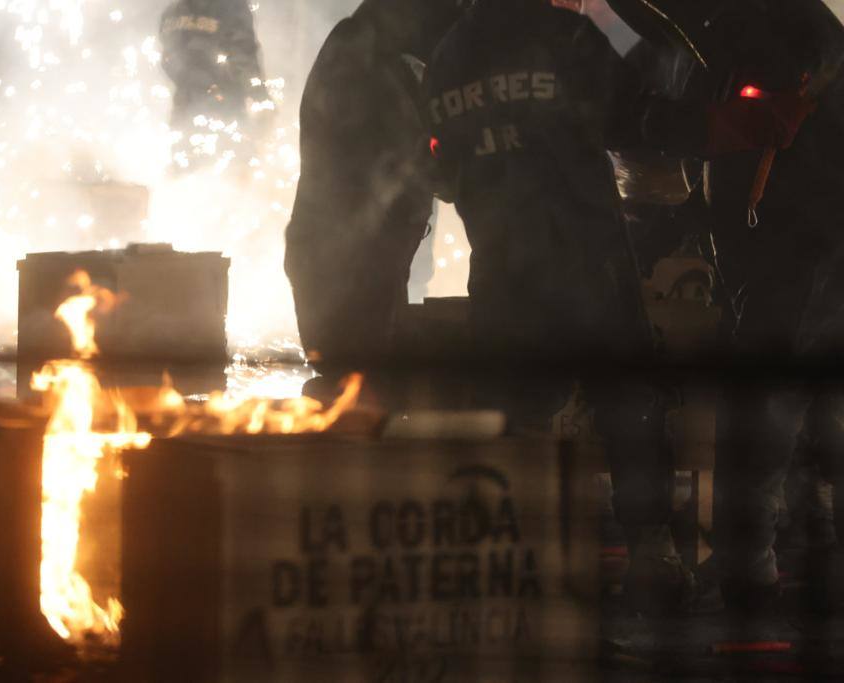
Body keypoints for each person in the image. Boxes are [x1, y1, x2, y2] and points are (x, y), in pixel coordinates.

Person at [424, 0, 812, 613]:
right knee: (629, 404)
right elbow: (644, 122)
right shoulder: (564, 35)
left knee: (516, 416)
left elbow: (441, 176)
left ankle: (509, 565)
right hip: (588, 259)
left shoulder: (447, 57)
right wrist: (744, 125)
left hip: (503, 268)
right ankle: (650, 557)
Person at [605, 0, 844, 613]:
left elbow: (747, 128)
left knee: (763, 402)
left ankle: (747, 569)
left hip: (804, 242)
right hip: (786, 243)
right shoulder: (740, 29)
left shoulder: (776, 30)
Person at [284, 0, 470, 365]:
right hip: (348, 263)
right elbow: (419, 161)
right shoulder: (372, 63)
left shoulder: (364, 44)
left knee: (354, 384)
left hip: (341, 254)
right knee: (357, 388)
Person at [159, 0, 271, 168]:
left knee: (186, 167)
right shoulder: (231, 6)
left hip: (184, 108)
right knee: (233, 170)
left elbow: (168, 59)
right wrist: (260, 97)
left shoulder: (174, 10)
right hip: (225, 107)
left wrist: (192, 81)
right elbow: (242, 54)